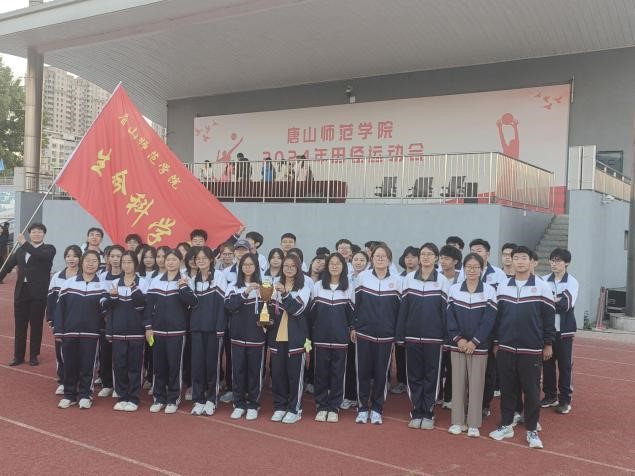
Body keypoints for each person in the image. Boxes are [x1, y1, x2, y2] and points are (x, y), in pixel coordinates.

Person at [489, 245, 555, 449]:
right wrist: (496, 342)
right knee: (507, 390)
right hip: (506, 348)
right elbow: (497, 318)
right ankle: (506, 424)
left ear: (531, 261)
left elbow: (548, 319)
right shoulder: (503, 286)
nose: (519, 261)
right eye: (515, 257)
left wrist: (548, 343)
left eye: (523, 258)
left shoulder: (542, 287)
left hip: (531, 350)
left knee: (532, 391)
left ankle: (532, 430)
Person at [396, 243, 450, 430]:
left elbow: (445, 312)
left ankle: (428, 410)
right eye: (423, 254)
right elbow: (403, 309)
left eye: (430, 254)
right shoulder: (408, 279)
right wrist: (400, 334)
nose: (426, 257)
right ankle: (416, 408)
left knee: (432, 375)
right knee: (414, 375)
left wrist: (446, 337)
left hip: (434, 338)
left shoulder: (443, 281)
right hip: (412, 336)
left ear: (436, 258)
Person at [446, 253, 497, 437]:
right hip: (458, 345)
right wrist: (458, 339)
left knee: (476, 384)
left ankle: (474, 423)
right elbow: (449, 317)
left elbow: (489, 320)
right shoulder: (454, 290)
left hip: (479, 346)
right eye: (469, 267)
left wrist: (475, 341)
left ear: (481, 269)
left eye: (476, 267)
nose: (472, 270)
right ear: (464, 268)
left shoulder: (489, 291)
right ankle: (457, 421)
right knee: (458, 383)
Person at [352, 244, 401, 425]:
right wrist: (353, 326)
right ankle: (362, 408)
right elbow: (356, 305)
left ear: (389, 260)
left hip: (386, 336)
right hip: (364, 333)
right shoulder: (363, 277)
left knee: (381, 374)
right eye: (377, 256)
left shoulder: (398, 281)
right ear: (371, 259)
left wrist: (396, 332)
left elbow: (399, 310)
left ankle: (377, 409)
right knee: (362, 372)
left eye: (383, 256)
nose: (380, 259)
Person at [144, 249, 197, 414]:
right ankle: (159, 398)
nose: (170, 262)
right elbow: (148, 307)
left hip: (177, 332)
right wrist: (148, 327)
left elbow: (193, 302)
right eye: (168, 259)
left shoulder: (186, 280)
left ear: (180, 262)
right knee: (158, 367)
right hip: (157, 332)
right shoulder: (155, 281)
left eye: (174, 259)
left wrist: (183, 287)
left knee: (175, 367)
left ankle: (173, 399)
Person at [54, 250, 108, 409]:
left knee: (88, 366)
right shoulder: (69, 283)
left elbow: (106, 310)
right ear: (82, 262)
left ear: (99, 264)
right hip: (69, 332)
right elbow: (60, 309)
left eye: (94, 261)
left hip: (91, 334)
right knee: (69, 365)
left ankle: (85, 395)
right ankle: (69, 395)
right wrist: (59, 330)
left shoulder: (103, 286)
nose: (91, 264)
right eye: (88, 260)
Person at [0, 223, 56, 366]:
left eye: (40, 232)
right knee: (20, 326)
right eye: (34, 232)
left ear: (44, 234)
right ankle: (18, 356)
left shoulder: (49, 249)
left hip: (38, 294)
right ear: (29, 234)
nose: (37, 234)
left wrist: (24, 243)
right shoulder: (21, 250)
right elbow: (8, 266)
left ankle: (33, 356)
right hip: (21, 291)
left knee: (36, 325)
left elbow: (39, 255)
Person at [310, 253, 354, 423]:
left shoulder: (348, 287)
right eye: (331, 263)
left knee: (338, 373)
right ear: (327, 266)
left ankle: (334, 406)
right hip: (320, 338)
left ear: (343, 267)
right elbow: (312, 313)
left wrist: (351, 329)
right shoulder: (318, 286)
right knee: (321, 373)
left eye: (338, 263)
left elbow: (352, 314)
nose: (334, 266)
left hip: (340, 339)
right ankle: (321, 405)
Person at [269, 254, 311, 424]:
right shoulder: (275, 286)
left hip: (296, 338)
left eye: (293, 266)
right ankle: (280, 406)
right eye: (286, 265)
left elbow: (297, 309)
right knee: (278, 374)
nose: (289, 269)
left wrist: (285, 293)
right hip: (277, 337)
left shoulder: (304, 287)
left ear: (298, 268)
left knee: (295, 376)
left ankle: (295, 409)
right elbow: (270, 309)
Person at [225, 254, 266, 420]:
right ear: (240, 267)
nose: (248, 267)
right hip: (237, 336)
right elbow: (229, 306)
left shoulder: (264, 286)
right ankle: (239, 403)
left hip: (257, 336)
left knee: (255, 372)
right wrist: (246, 292)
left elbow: (270, 310)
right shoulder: (233, 286)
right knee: (238, 372)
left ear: (256, 267)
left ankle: (253, 404)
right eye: (245, 264)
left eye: (251, 264)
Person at [106, 251, 148, 412]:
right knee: (119, 366)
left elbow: (143, 306)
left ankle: (134, 398)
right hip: (118, 332)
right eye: (124, 262)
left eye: (129, 262)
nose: (126, 265)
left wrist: (134, 289)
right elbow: (107, 308)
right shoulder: (114, 283)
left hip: (136, 332)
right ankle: (122, 396)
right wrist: (112, 298)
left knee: (135, 367)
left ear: (135, 264)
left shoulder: (143, 282)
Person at [189, 246, 228, 416]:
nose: (201, 261)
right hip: (197, 328)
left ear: (211, 259)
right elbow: (190, 303)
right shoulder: (192, 280)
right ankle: (198, 399)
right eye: (198, 258)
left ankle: (212, 399)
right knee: (197, 365)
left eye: (204, 258)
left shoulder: (219, 276)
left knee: (212, 366)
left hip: (213, 329)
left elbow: (221, 304)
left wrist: (220, 327)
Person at [541, 248, 579, 415]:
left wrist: (550, 302)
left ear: (567, 263)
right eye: (552, 260)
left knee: (565, 366)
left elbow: (565, 305)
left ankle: (565, 400)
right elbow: (540, 304)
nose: (554, 264)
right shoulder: (543, 280)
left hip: (564, 332)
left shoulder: (572, 282)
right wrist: (555, 300)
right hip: (547, 331)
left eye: (558, 261)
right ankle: (550, 396)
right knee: (547, 364)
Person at [47, 244, 82, 395]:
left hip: (79, 322)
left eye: (75, 256)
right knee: (61, 353)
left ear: (80, 258)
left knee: (79, 354)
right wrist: (51, 320)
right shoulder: (57, 277)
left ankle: (79, 381)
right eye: (68, 256)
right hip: (61, 322)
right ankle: (63, 381)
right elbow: (50, 299)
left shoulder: (84, 276)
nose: (71, 259)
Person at [341, 249, 369, 410]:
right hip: (347, 323)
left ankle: (362, 398)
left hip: (364, 324)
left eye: (362, 260)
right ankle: (349, 396)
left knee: (363, 364)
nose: (358, 262)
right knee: (349, 362)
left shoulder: (370, 279)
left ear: (367, 263)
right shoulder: (345, 278)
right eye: (356, 259)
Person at [436, 244, 462, 408]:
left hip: (455, 328)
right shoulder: (436, 277)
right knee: (438, 364)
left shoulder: (462, 279)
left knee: (452, 365)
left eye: (447, 258)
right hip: (438, 327)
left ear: (455, 261)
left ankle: (449, 397)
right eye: (441, 258)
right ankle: (437, 394)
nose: (443, 261)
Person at [97, 245, 125, 398]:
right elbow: (100, 299)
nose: (115, 259)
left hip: (122, 321)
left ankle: (119, 385)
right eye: (112, 256)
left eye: (118, 256)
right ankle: (107, 384)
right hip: (105, 321)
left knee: (121, 356)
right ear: (107, 258)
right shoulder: (102, 276)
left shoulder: (128, 276)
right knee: (105, 354)